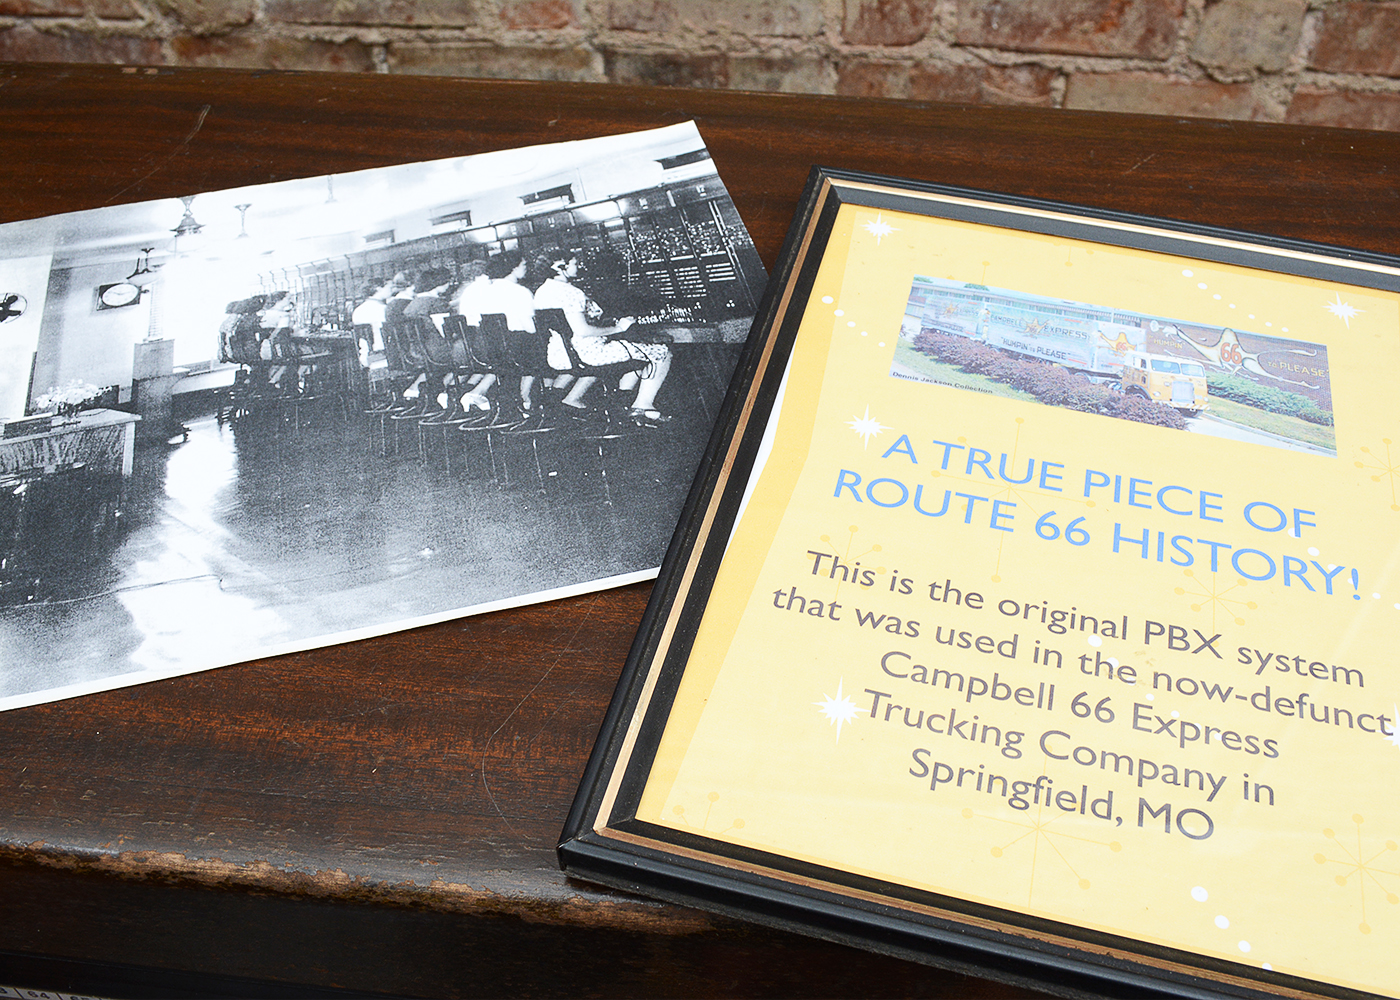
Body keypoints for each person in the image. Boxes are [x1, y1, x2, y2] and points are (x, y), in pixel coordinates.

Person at [532, 248, 673, 426]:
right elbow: (582, 330)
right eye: (574, 263)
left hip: (560, 355)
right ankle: (642, 405)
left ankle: (621, 404)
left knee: (633, 352)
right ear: (560, 267)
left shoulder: (541, 291)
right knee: (662, 352)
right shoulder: (571, 292)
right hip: (589, 353)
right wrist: (618, 327)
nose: (578, 266)